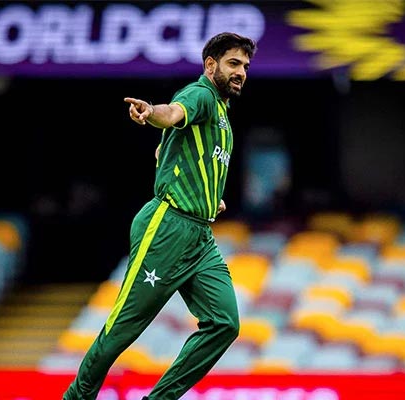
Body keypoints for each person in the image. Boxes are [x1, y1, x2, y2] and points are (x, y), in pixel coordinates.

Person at [62, 31, 257, 400]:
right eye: (233, 64)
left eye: (245, 66)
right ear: (210, 65)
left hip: (199, 236)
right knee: (124, 327)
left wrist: (208, 196)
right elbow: (173, 113)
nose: (241, 72)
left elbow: (163, 154)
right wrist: (152, 112)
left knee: (225, 323)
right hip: (167, 227)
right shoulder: (200, 94)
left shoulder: (222, 115)